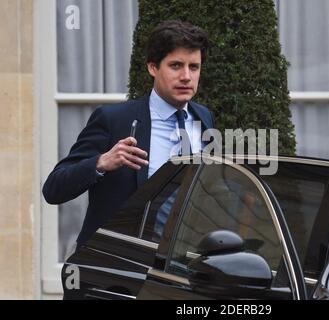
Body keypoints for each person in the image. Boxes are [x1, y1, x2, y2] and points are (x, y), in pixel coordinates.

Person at [43, 20, 214, 248]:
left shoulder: (203, 117)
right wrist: (101, 162)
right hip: (116, 264)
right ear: (153, 67)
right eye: (175, 65)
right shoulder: (113, 120)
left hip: (177, 265)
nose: (186, 76)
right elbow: (53, 189)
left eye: (194, 67)